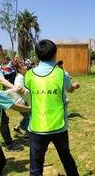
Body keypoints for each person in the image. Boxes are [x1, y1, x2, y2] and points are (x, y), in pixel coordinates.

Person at [24, 39, 80, 176]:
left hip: (37, 127)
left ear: (37, 55)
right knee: (66, 158)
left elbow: (27, 93)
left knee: (36, 167)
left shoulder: (29, 75)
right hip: (59, 126)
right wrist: (75, 86)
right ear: (55, 54)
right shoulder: (61, 74)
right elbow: (70, 89)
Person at [0, 43, 23, 151]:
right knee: (3, 119)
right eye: (1, 50)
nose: (3, 52)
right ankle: (9, 144)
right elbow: (1, 80)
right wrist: (16, 88)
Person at [12, 58, 30, 136]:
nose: (26, 67)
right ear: (19, 69)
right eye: (23, 66)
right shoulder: (20, 78)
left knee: (27, 116)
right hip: (21, 101)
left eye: (25, 65)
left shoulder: (21, 76)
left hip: (21, 100)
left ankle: (17, 127)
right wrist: (30, 92)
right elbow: (20, 90)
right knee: (28, 117)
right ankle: (27, 134)